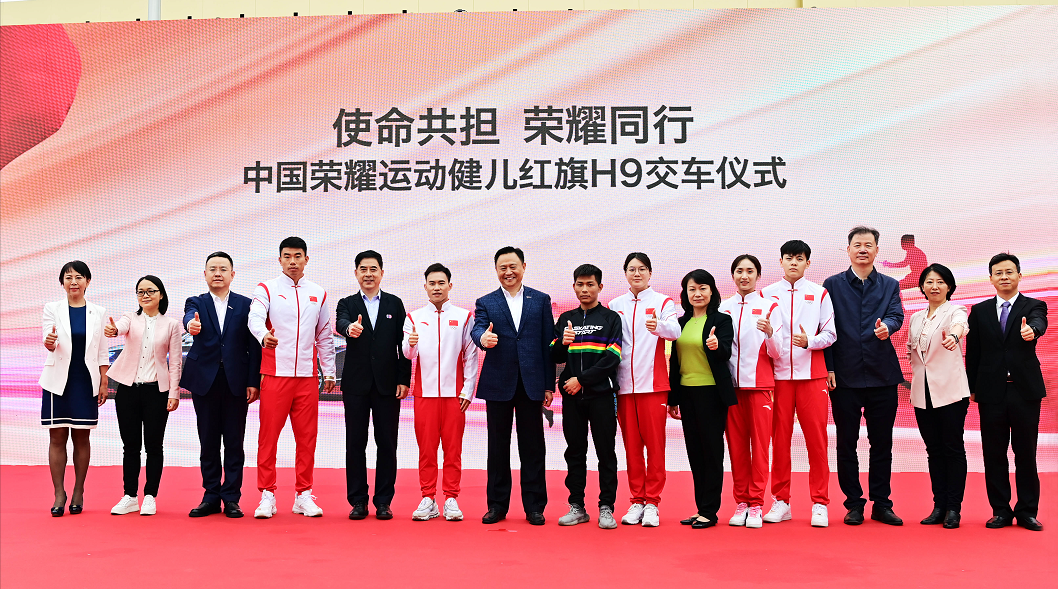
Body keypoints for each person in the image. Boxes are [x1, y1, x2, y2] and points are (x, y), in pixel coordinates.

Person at [248, 237, 336, 519]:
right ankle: (267, 494)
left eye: (298, 256)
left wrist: (329, 370)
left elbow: (324, 334)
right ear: (280, 260)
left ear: (306, 259)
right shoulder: (267, 289)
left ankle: (303, 495)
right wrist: (264, 335)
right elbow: (254, 317)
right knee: (268, 438)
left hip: (307, 378)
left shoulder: (318, 293)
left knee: (307, 438)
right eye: (287, 256)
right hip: (275, 375)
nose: (293, 261)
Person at [823, 226, 905, 526]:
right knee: (846, 443)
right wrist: (829, 368)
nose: (862, 249)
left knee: (882, 443)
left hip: (882, 375)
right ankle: (854, 503)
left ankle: (882, 503)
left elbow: (896, 315)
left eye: (868, 245)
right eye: (857, 244)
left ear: (877, 251)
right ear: (848, 250)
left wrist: (888, 327)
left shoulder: (890, 285)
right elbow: (825, 327)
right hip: (844, 377)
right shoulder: (831, 285)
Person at [471, 246, 555, 526]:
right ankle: (496, 505)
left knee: (533, 447)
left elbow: (548, 344)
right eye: (502, 268)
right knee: (497, 446)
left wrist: (548, 384)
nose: (508, 272)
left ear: (523, 267)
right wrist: (483, 339)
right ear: (496, 270)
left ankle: (534, 506)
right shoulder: (486, 301)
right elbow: (478, 328)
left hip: (532, 382)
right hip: (498, 382)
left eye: (513, 266)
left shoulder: (540, 300)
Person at [965, 253, 1047, 531]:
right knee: (994, 454)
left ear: (1019, 276)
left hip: (1024, 392)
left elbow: (1039, 322)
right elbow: (973, 352)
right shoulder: (979, 311)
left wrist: (1032, 331)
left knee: (1026, 453)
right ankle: (1000, 510)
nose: (1004, 277)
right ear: (990, 279)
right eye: (998, 273)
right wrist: (972, 387)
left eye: (1009, 272)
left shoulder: (1034, 305)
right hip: (991, 393)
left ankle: (1027, 511)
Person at [761, 240, 836, 527]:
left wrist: (810, 342)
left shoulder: (820, 293)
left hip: (812, 377)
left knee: (817, 441)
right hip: (778, 378)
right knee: (779, 441)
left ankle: (820, 503)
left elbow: (831, 333)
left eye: (800, 258)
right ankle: (781, 501)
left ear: (808, 263)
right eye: (789, 258)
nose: (794, 262)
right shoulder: (766, 294)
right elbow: (761, 334)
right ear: (780, 261)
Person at [181, 252, 262, 519]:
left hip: (236, 382)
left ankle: (232, 498)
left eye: (223, 269)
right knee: (208, 441)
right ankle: (211, 496)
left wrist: (253, 381)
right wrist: (191, 325)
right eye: (213, 269)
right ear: (205, 274)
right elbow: (189, 318)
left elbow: (253, 346)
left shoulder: (246, 305)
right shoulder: (196, 302)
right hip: (204, 382)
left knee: (234, 442)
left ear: (232, 274)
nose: (218, 273)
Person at [335, 250, 412, 521]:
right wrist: (349, 329)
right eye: (363, 269)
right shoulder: (346, 303)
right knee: (355, 443)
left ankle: (383, 501)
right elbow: (341, 323)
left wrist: (404, 379)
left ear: (381, 272)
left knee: (387, 444)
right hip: (356, 385)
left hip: (387, 385)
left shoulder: (394, 303)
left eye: (373, 269)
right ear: (356, 273)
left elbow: (403, 345)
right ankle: (358, 500)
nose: (368, 274)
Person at [607, 252, 681, 527]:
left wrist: (658, 326)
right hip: (624, 387)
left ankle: (653, 503)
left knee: (656, 447)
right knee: (632, 447)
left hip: (653, 386)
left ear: (650, 273)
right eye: (631, 269)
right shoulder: (615, 305)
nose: (636, 273)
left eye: (641, 269)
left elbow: (675, 331)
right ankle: (637, 500)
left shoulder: (663, 301)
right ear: (625, 273)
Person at [401, 263, 478, 522]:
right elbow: (407, 354)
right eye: (432, 283)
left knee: (453, 450)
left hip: (455, 396)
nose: (436, 288)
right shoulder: (413, 317)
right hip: (425, 395)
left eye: (441, 283)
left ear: (449, 286)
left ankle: (452, 498)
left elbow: (470, 355)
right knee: (427, 450)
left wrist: (468, 390)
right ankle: (428, 498)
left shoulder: (464, 317)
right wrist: (411, 344)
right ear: (425, 287)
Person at [551, 264, 623, 529]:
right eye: (580, 285)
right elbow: (554, 356)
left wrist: (581, 380)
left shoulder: (611, 318)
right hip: (572, 398)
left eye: (590, 284)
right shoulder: (565, 319)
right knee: (575, 452)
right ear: (574, 287)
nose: (585, 289)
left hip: (601, 396)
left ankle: (606, 507)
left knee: (606, 452)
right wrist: (563, 342)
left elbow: (613, 357)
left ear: (599, 287)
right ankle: (577, 506)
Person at [104, 275, 183, 516]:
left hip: (156, 392)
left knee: (154, 446)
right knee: (130, 446)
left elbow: (175, 362)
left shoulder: (171, 324)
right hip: (127, 390)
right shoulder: (130, 318)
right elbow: (119, 327)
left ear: (161, 294)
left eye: (150, 291)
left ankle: (150, 496)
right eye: (140, 292)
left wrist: (174, 393)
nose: (145, 295)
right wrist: (113, 329)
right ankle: (129, 496)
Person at [40, 261, 109, 516]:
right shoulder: (52, 308)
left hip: (85, 381)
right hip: (57, 381)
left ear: (88, 281)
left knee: (82, 437)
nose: (73, 282)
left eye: (79, 277)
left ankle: (78, 490)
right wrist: (49, 341)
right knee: (57, 437)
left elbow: (102, 351)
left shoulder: (98, 312)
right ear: (62, 283)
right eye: (68, 277)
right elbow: (48, 339)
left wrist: (104, 381)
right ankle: (59, 493)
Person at [667, 269, 735, 529]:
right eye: (692, 289)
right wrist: (673, 398)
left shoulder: (722, 320)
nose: (697, 293)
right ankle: (700, 508)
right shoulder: (681, 322)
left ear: (712, 291)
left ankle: (710, 510)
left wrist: (717, 346)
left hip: (711, 393)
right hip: (687, 392)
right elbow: (675, 362)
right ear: (685, 293)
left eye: (702, 288)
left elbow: (725, 353)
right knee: (695, 452)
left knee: (712, 451)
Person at [718, 255, 782, 528]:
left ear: (758, 275)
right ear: (733, 275)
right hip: (731, 389)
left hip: (760, 388)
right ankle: (741, 502)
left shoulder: (770, 306)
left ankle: (756, 503)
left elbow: (778, 353)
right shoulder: (723, 308)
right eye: (739, 271)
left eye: (750, 271)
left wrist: (770, 333)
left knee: (760, 447)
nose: (744, 276)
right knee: (737, 448)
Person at [906, 264, 970, 529]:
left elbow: (960, 325)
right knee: (933, 450)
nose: (934, 286)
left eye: (940, 282)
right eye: (929, 282)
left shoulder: (955, 310)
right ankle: (939, 506)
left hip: (950, 392)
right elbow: (912, 352)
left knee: (952, 448)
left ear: (949, 287)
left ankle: (954, 508)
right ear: (922, 286)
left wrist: (954, 336)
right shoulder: (915, 317)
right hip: (923, 393)